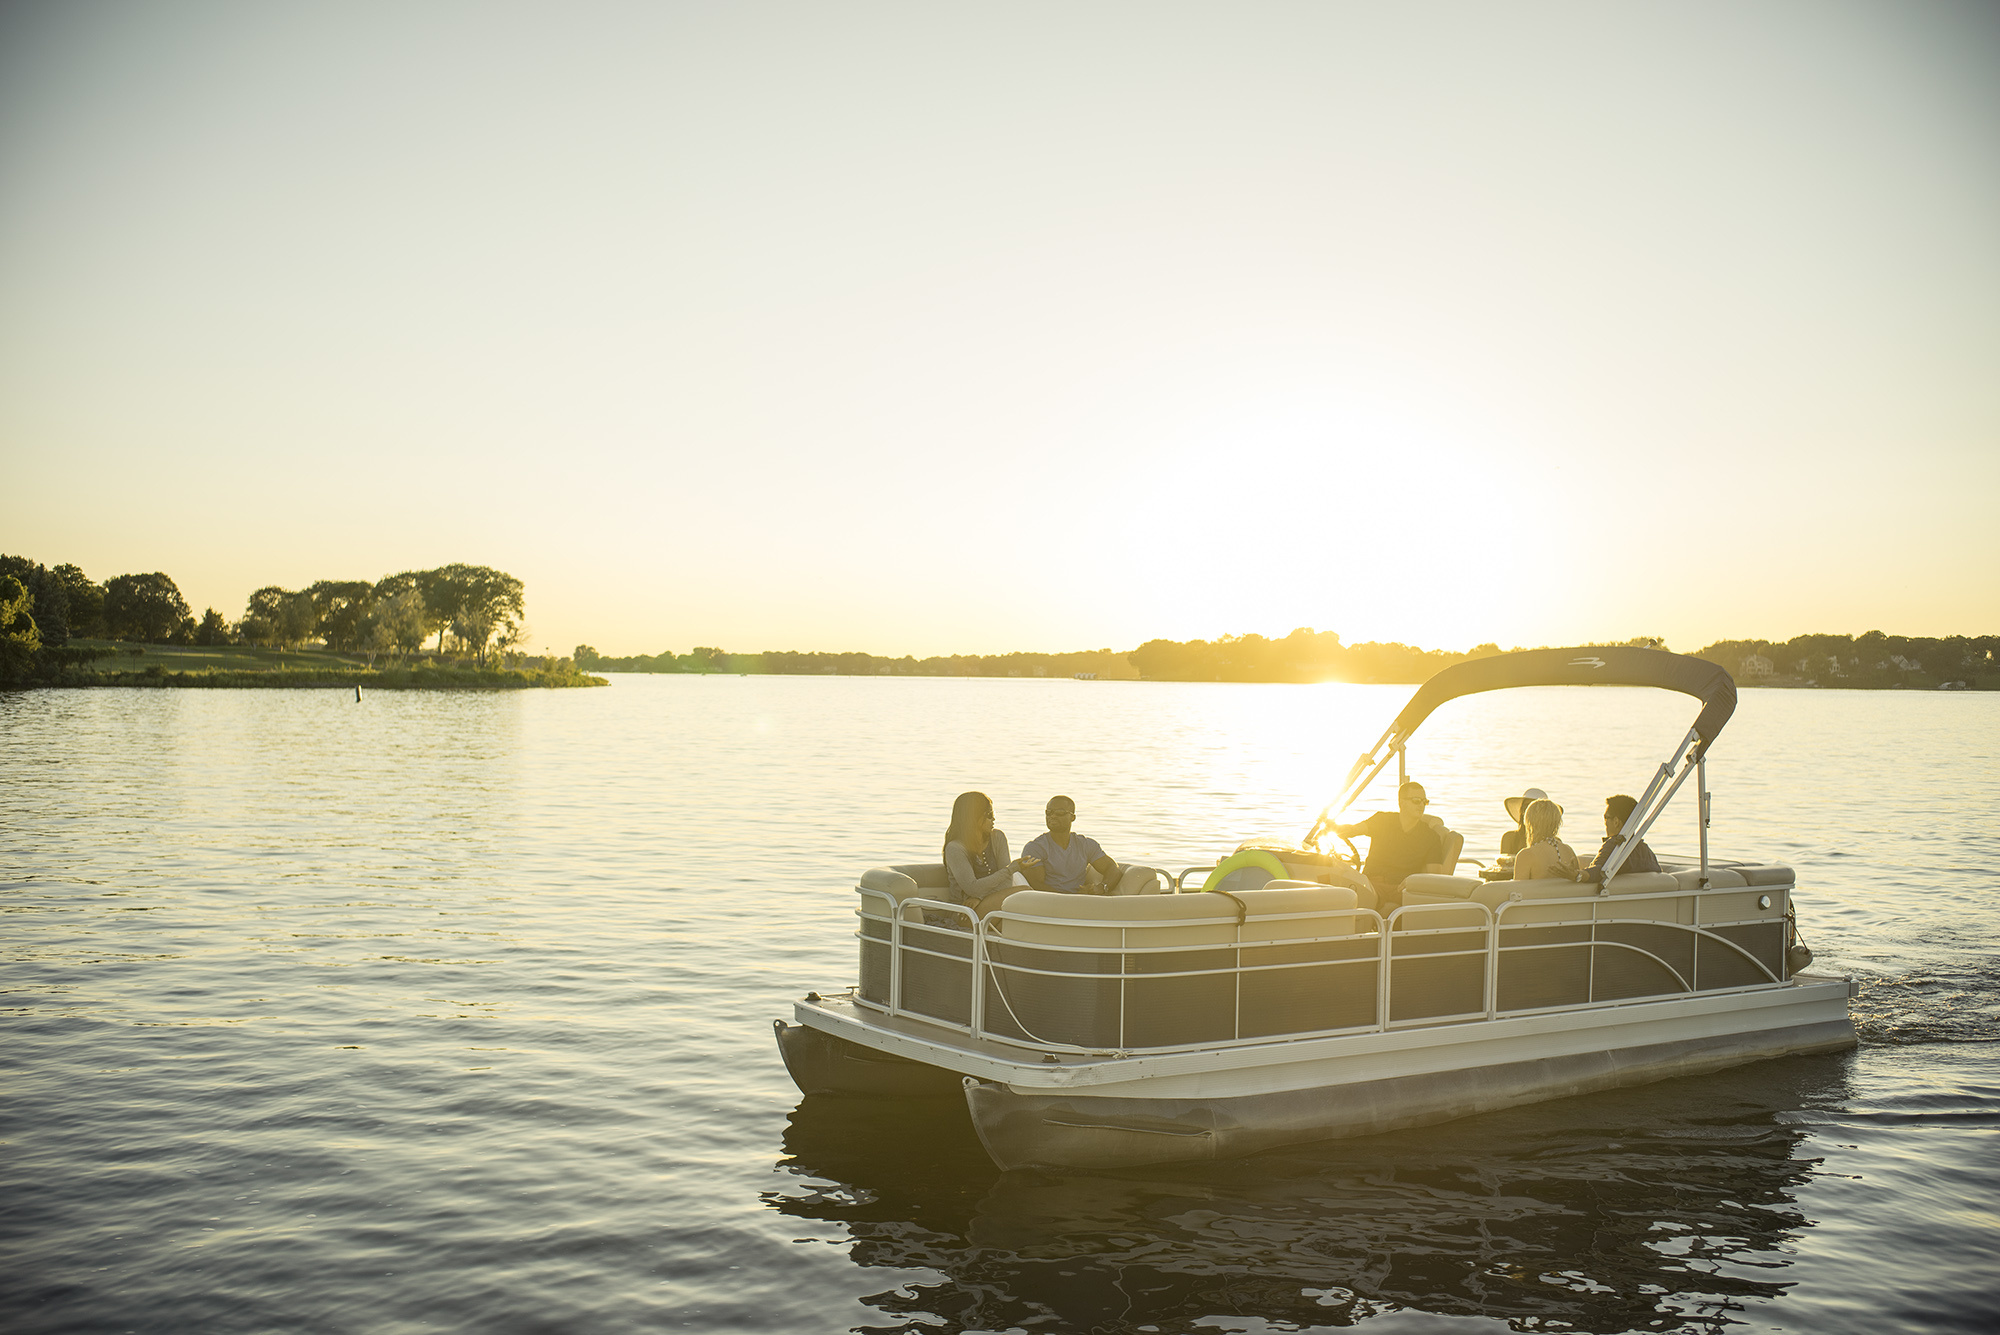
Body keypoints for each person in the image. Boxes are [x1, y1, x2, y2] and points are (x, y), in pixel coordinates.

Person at [1333, 781, 1447, 907]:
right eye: (1416, 800)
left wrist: (1413, 882)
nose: (1421, 805)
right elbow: (1353, 830)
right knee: (1339, 893)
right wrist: (1333, 827)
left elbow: (1435, 878)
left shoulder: (1430, 837)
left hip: (1400, 890)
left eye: (1424, 801)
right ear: (1401, 803)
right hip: (1371, 884)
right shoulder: (1382, 820)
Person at [942, 791, 1038, 916]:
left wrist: (980, 898)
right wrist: (1011, 869)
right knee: (1025, 893)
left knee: (1020, 913)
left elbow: (1007, 882)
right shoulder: (955, 848)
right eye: (989, 814)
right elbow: (972, 888)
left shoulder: (997, 837)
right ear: (973, 818)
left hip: (988, 905)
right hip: (965, 911)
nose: (994, 818)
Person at [1021, 795, 1121, 895]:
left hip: (1079, 901)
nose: (1053, 816)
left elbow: (1113, 869)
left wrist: (1101, 888)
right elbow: (1036, 885)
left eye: (1060, 812)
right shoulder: (1035, 848)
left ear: (1073, 817)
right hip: (1048, 902)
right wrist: (1070, 897)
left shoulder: (1086, 845)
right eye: (1049, 812)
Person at [1587, 793, 1660, 879]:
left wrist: (1576, 874)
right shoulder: (1647, 853)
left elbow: (1594, 873)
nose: (1605, 823)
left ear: (1616, 822)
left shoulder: (1613, 846)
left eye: (1606, 817)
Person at [1512, 797, 1579, 882]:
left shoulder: (1526, 855)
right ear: (1557, 823)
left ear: (1530, 823)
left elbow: (1518, 891)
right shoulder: (1568, 851)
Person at [1500, 787, 1550, 857]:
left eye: (1533, 807)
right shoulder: (1510, 838)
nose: (1527, 811)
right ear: (1521, 810)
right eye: (1526, 806)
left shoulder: (1553, 843)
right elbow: (1504, 864)